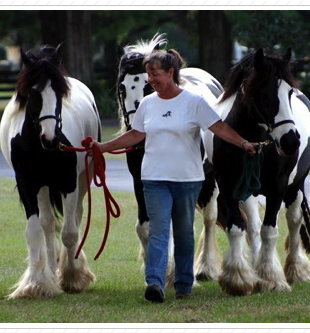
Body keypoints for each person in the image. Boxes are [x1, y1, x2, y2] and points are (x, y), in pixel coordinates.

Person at [88, 49, 260, 303]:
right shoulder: (147, 104)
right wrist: (102, 147)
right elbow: (135, 134)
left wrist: (243, 143)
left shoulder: (194, 102)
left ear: (171, 73)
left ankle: (183, 284)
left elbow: (218, 127)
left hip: (187, 180)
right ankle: (155, 283)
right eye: (148, 74)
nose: (150, 80)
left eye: (154, 74)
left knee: (183, 233)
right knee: (158, 231)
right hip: (154, 178)